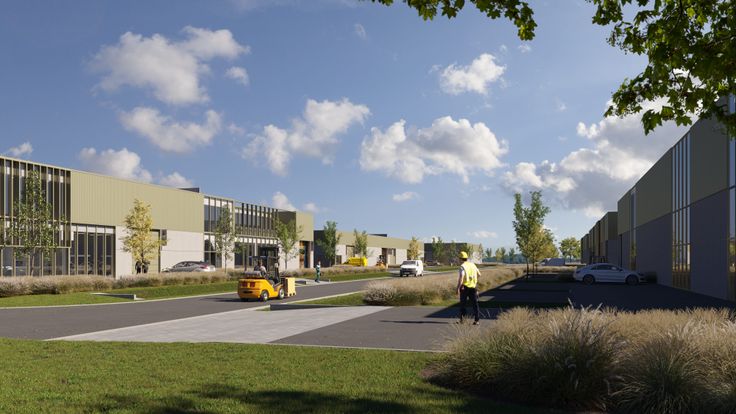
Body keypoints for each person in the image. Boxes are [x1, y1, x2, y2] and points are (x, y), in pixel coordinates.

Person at [456, 251, 481, 325]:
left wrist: (458, 288)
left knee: (463, 304)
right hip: (473, 287)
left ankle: (463, 320)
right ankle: (477, 320)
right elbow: (479, 274)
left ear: (460, 258)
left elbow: (461, 277)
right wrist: (473, 280)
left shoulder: (462, 266)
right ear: (466, 258)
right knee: (475, 304)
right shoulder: (473, 264)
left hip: (464, 287)